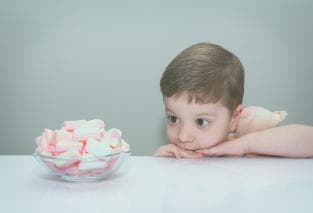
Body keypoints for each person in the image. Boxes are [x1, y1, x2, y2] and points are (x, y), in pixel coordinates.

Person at [154, 42, 313, 159]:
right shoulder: (177, 151)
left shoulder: (249, 128)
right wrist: (160, 165)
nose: (183, 136)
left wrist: (246, 145)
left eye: (201, 122)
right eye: (173, 119)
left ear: (234, 118)